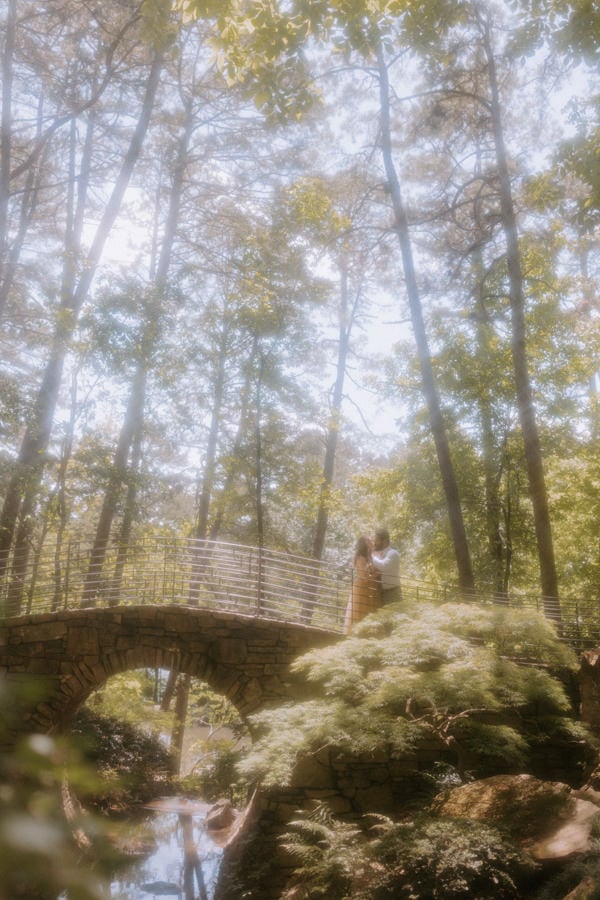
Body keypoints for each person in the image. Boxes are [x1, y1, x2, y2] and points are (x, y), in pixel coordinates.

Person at [344, 535, 382, 633]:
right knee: (360, 612)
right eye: (369, 541)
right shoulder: (360, 558)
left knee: (370, 612)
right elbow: (364, 577)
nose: (372, 542)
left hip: (371, 588)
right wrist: (377, 574)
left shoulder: (370, 557)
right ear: (364, 544)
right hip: (362, 588)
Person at [369, 527, 402, 604]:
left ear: (385, 541)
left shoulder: (393, 553)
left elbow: (384, 566)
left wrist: (371, 556)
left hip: (392, 592)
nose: (374, 543)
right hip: (380, 592)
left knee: (394, 615)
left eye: (376, 540)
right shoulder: (379, 556)